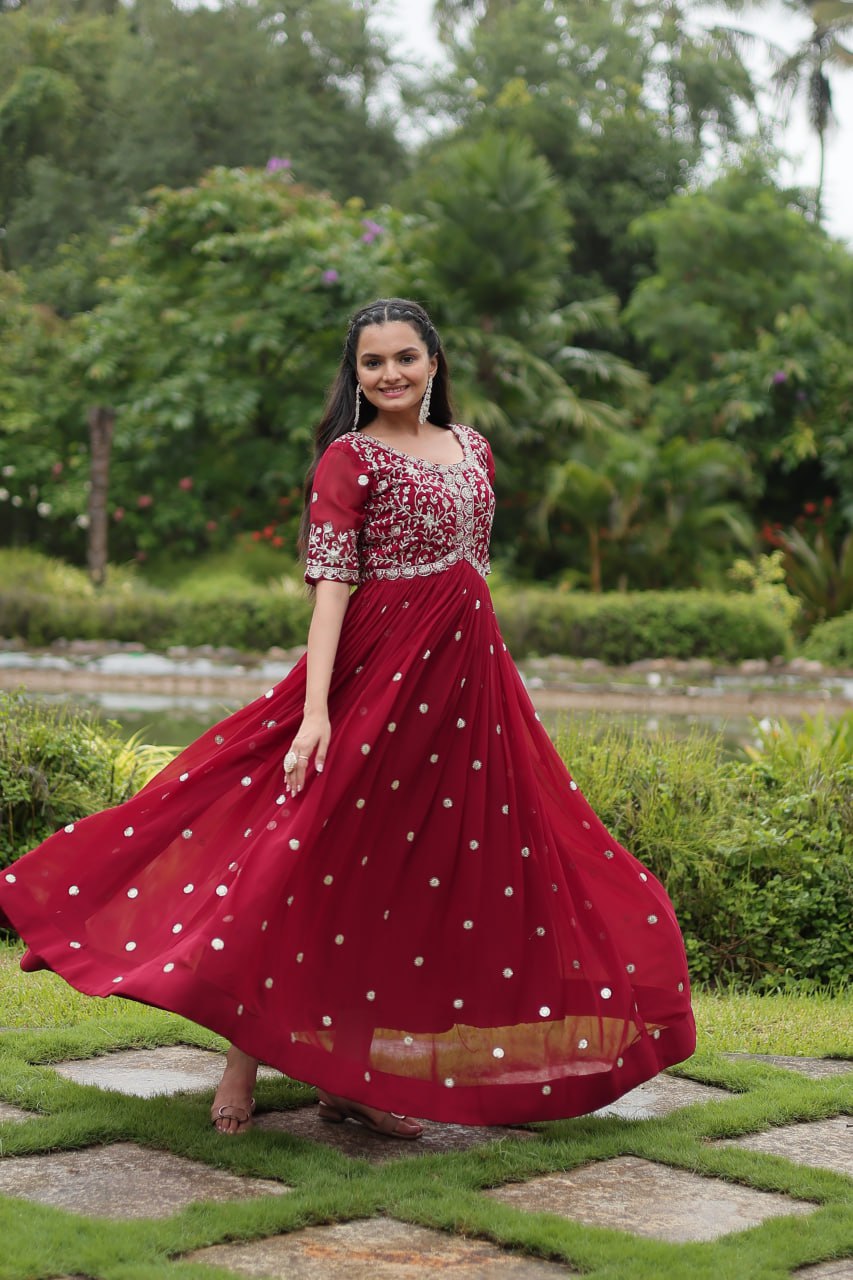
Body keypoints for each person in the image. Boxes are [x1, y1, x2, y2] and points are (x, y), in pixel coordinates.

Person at [0, 298, 696, 1140]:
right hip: (373, 674)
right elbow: (331, 587)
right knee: (304, 847)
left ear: (434, 362)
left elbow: (472, 576)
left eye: (405, 357)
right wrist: (316, 713)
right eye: (372, 363)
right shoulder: (347, 458)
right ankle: (242, 1058)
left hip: (464, 691)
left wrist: (489, 682)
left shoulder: (473, 448)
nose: (391, 373)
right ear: (355, 375)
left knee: (406, 870)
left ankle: (352, 1080)